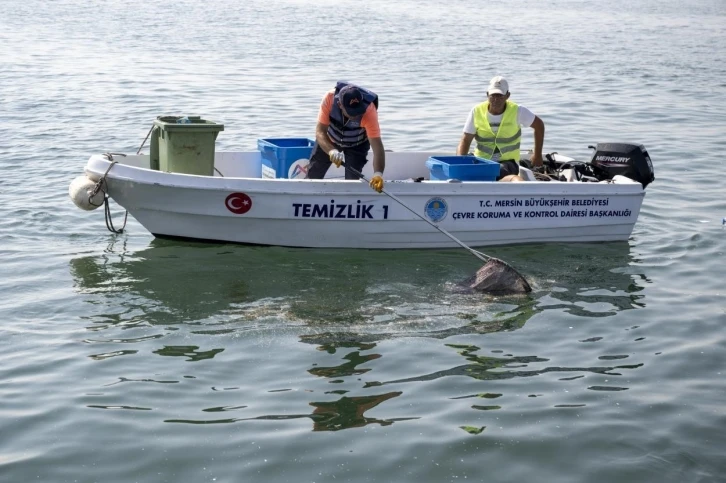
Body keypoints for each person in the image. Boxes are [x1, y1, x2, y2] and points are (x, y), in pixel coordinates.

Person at [456, 76, 545, 181]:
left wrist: (537, 155)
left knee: (493, 172)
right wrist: (460, 164)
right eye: (493, 96)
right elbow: (465, 140)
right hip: (482, 161)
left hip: (508, 163)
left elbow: (539, 126)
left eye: (500, 96)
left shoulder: (518, 111)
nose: (495, 100)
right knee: (463, 163)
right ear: (487, 95)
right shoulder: (476, 111)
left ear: (507, 96)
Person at [305, 81, 385, 193]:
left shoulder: (369, 111)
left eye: (358, 111)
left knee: (352, 183)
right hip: (330, 139)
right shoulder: (329, 98)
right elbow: (320, 132)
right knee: (313, 175)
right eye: (351, 112)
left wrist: (378, 174)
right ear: (340, 105)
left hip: (357, 144)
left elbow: (378, 148)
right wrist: (331, 151)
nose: (356, 115)